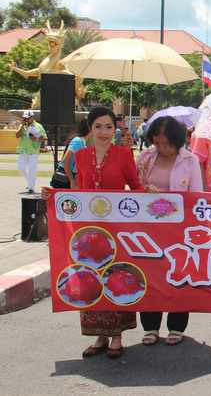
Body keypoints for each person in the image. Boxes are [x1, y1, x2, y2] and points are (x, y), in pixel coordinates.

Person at [74, 106, 144, 359]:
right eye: (98, 126)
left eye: (109, 127)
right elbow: (76, 192)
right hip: (89, 231)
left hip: (117, 228)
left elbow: (135, 186)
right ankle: (99, 335)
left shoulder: (124, 154)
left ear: (115, 130)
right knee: (91, 278)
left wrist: (150, 196)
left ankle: (117, 336)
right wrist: (53, 197)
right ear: (90, 129)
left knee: (117, 277)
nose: (104, 132)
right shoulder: (80, 156)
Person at [137, 116, 203, 347]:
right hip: (149, 228)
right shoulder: (145, 158)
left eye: (167, 144)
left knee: (178, 274)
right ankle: (151, 326)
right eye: (157, 143)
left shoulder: (190, 161)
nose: (162, 148)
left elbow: (196, 197)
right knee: (150, 275)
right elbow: (134, 188)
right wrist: (144, 190)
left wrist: (169, 200)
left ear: (177, 142)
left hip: (178, 229)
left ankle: (176, 326)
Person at [52, 119, 90, 189]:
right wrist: (72, 180)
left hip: (71, 179)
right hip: (64, 180)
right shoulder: (78, 141)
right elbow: (65, 161)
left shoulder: (84, 143)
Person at [16, 110, 47, 194]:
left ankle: (31, 187)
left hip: (33, 151)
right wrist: (22, 125)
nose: (26, 119)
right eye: (25, 118)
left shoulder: (38, 126)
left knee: (32, 170)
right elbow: (17, 135)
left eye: (28, 118)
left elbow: (45, 138)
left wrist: (36, 139)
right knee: (20, 168)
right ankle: (29, 183)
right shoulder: (22, 126)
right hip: (23, 150)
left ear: (32, 117)